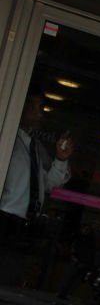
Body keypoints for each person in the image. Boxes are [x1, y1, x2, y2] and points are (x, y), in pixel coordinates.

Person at [0, 85, 73, 230]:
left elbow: (48, 185)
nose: (39, 114)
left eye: (40, 108)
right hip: (5, 218)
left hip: (24, 225)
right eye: (33, 108)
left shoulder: (35, 147)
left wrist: (61, 159)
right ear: (19, 106)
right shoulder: (7, 139)